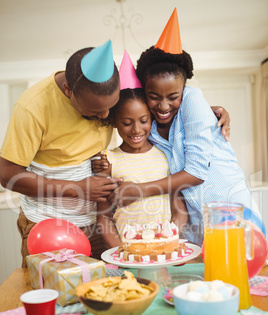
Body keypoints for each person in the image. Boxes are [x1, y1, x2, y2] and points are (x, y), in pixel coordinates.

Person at [95, 9, 264, 246]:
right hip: (195, 220)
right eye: (154, 96)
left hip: (228, 206)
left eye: (173, 96)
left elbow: (195, 172)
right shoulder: (149, 126)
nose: (163, 106)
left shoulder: (193, 99)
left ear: (183, 90)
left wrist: (139, 190)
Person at [0, 40, 123, 266]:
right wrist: (77, 188)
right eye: (95, 111)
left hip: (97, 225)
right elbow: (8, 175)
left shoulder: (109, 100)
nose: (106, 115)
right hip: (46, 225)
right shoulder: (32, 107)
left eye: (111, 106)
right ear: (68, 90)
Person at [97, 51, 188, 248]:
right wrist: (121, 251)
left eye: (144, 121)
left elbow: (180, 211)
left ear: (152, 118)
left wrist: (167, 241)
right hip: (129, 252)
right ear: (114, 122)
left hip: (164, 249)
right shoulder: (108, 160)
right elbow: (103, 219)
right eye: (127, 123)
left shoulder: (166, 155)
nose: (137, 130)